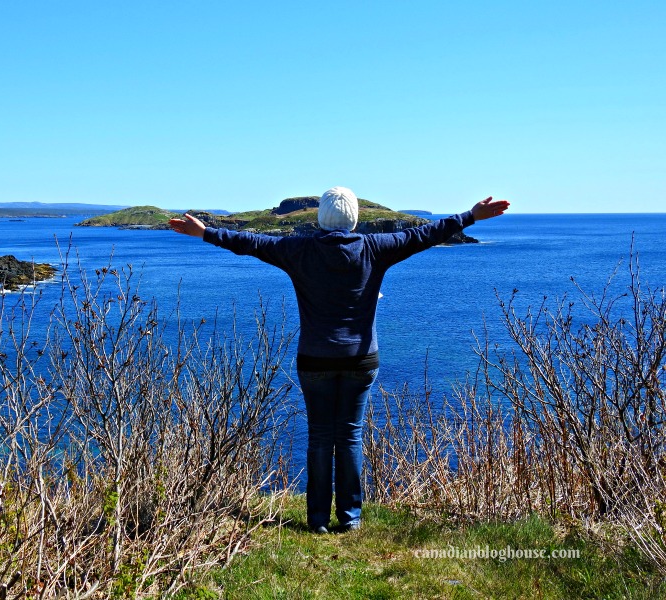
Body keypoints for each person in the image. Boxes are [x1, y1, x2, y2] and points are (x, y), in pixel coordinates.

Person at [169, 188, 509, 533]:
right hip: (360, 360)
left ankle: (317, 520)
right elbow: (424, 235)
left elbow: (250, 242)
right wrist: (469, 216)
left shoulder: (298, 250)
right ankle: (350, 519)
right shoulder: (375, 248)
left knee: (318, 437)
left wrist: (206, 232)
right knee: (348, 436)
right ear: (355, 218)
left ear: (320, 219)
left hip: (314, 359)